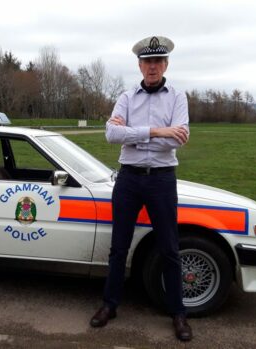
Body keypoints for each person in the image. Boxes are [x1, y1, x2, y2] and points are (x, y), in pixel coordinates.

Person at [89, 35, 192, 342]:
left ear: (166, 64)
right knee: (118, 247)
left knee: (170, 249)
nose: (152, 67)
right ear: (139, 64)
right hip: (129, 179)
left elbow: (179, 138)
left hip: (161, 179)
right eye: (148, 62)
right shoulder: (126, 96)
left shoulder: (178, 96)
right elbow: (110, 134)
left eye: (158, 61)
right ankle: (110, 304)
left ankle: (178, 312)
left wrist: (131, 133)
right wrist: (158, 130)